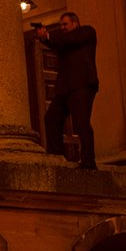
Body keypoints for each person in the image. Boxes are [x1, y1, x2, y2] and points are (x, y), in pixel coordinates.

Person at [37, 12, 99, 170]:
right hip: (65, 88)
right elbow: (57, 42)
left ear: (75, 23)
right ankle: (56, 157)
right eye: (61, 25)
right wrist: (44, 38)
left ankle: (88, 161)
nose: (62, 28)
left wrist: (49, 35)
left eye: (65, 24)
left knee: (81, 123)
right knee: (51, 118)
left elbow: (69, 39)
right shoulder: (64, 41)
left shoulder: (87, 32)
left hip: (82, 85)